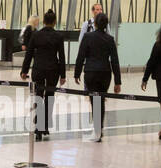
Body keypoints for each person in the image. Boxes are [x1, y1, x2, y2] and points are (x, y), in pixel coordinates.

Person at [72, 12, 121, 141]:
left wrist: (76, 74)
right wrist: (118, 81)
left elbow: (80, 56)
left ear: (95, 24)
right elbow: (115, 60)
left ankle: (97, 130)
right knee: (101, 100)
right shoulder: (110, 39)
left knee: (94, 101)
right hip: (105, 73)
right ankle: (99, 129)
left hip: (91, 72)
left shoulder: (88, 37)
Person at [19, 9, 66, 140]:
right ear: (55, 22)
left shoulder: (36, 35)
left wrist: (24, 70)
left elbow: (29, 54)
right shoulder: (58, 36)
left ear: (44, 21)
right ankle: (44, 126)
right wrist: (63, 75)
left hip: (38, 69)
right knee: (50, 97)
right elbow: (61, 56)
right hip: (53, 70)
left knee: (38, 96)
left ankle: (38, 126)